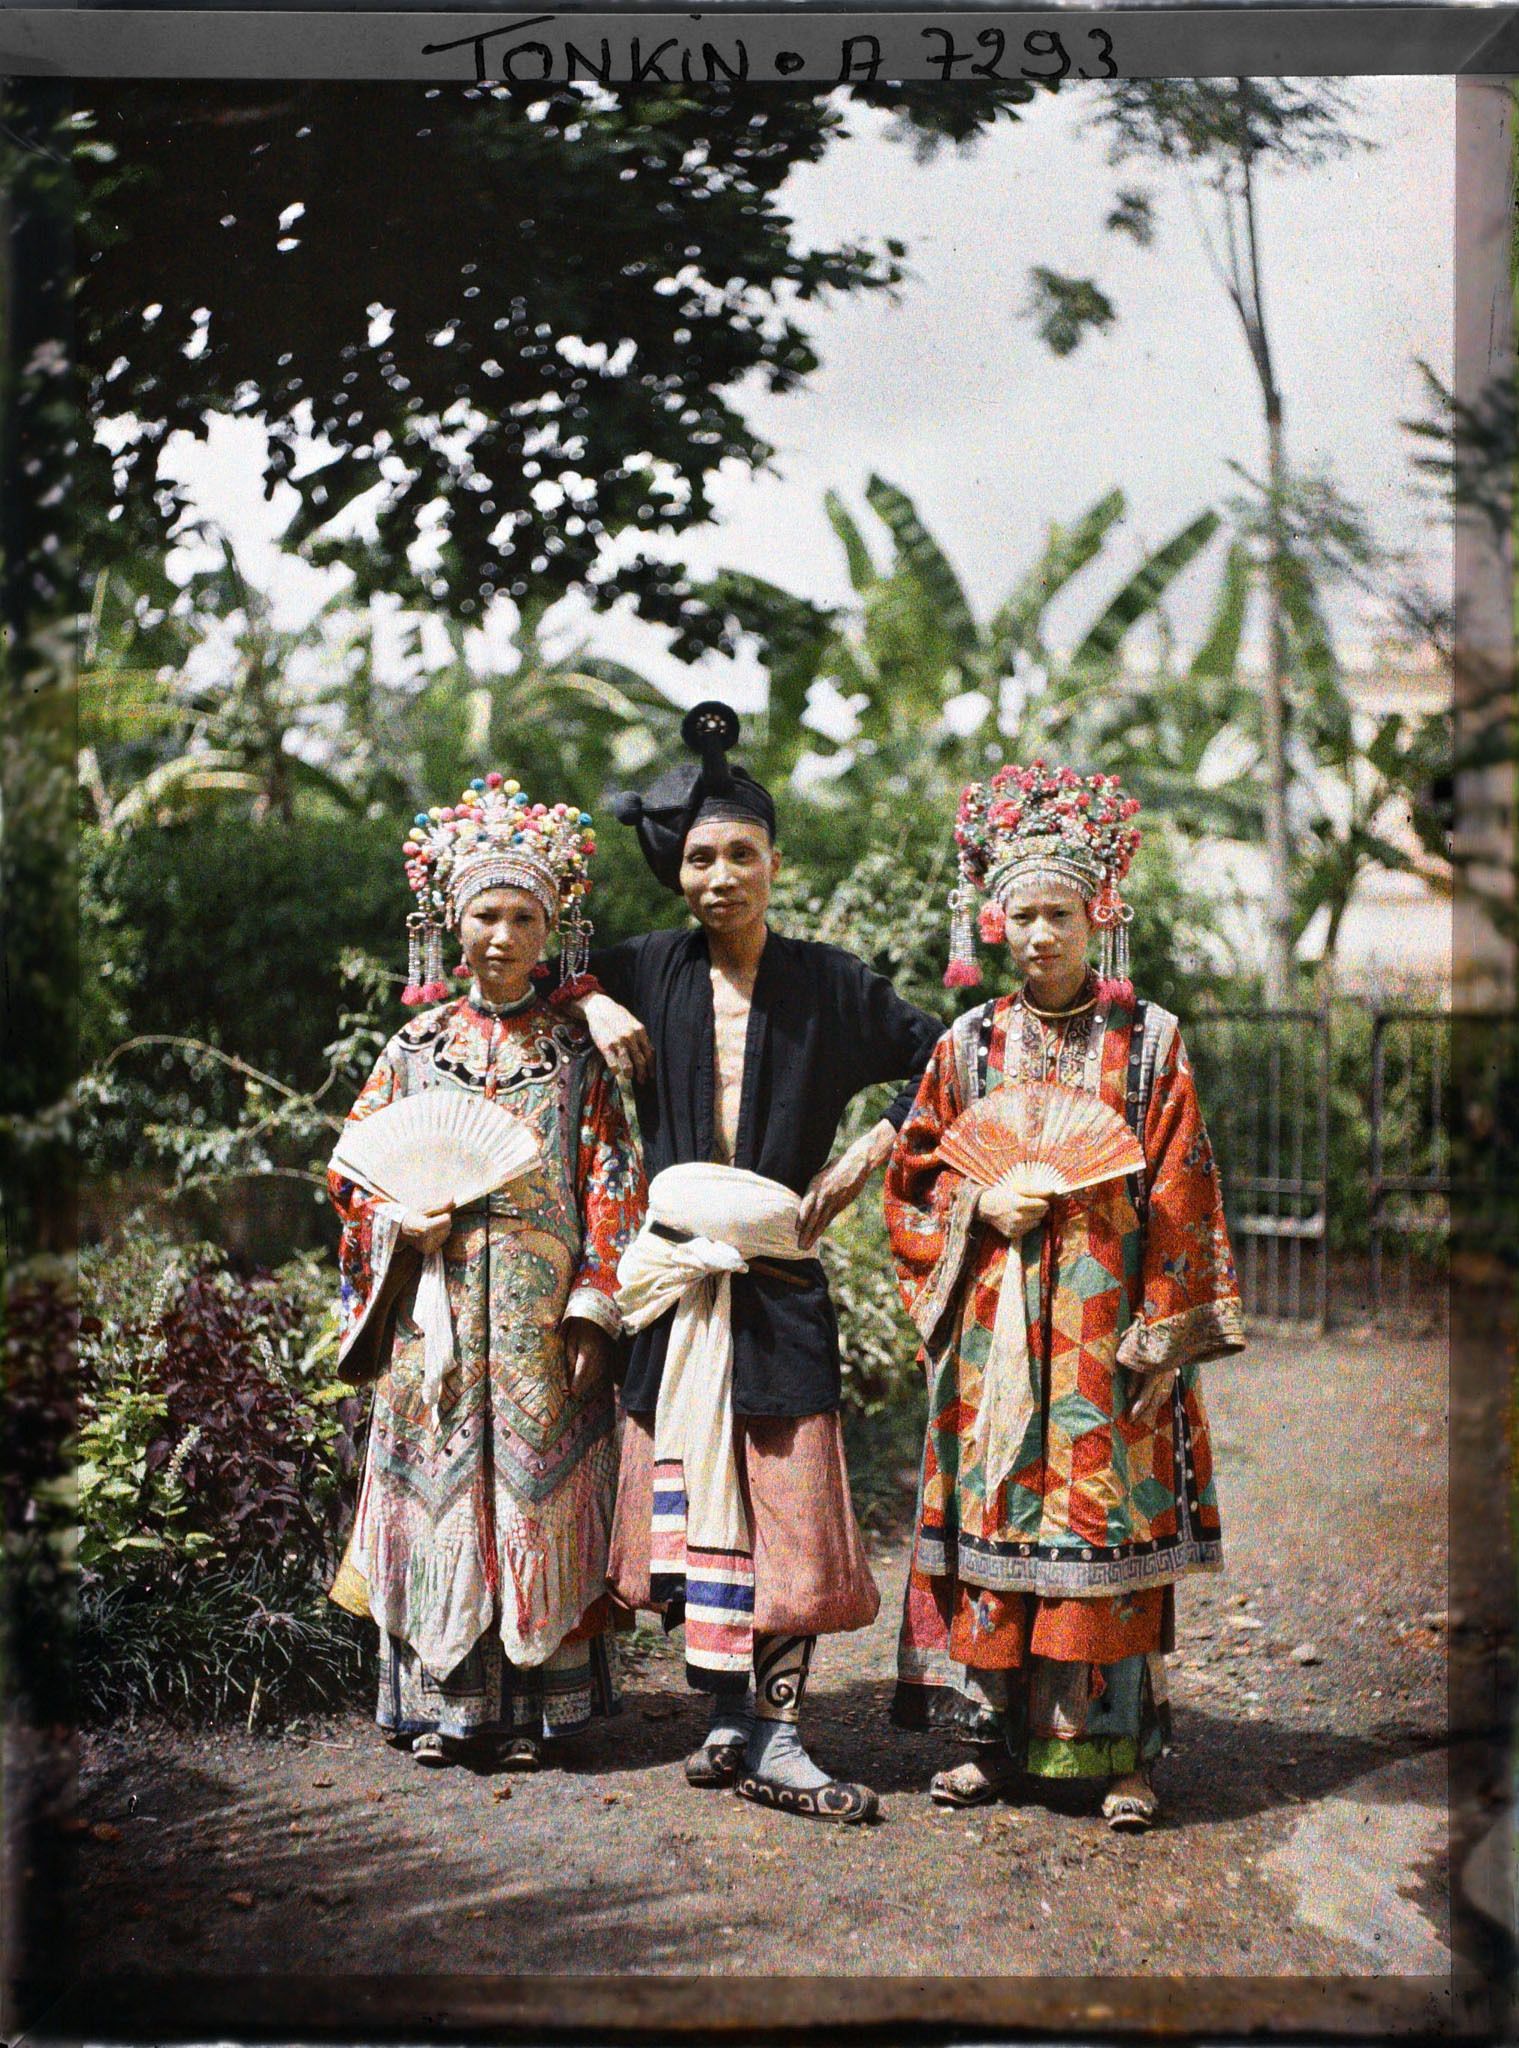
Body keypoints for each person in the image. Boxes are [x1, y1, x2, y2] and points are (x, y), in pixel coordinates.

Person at [574, 703, 942, 1823]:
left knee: (784, 1498)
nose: (720, 873)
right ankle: (727, 1711)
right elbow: (524, 958)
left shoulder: (828, 983)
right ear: (676, 873)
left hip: (777, 1275)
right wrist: (585, 995)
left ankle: (781, 1726)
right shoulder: (644, 968)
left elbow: (950, 1054)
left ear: (775, 864)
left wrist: (879, 1139)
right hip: (678, 1275)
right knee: (696, 1505)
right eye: (699, 856)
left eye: (741, 853)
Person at [883, 761, 1244, 1831]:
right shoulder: (966, 1044)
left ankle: (1125, 1753)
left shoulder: (1152, 1043)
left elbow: (1183, 1191)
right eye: (1022, 912)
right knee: (997, 1516)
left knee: (1105, 1532)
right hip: (995, 1325)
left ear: (1100, 916)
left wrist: (1160, 1338)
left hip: (1105, 1335)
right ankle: (992, 1741)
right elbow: (917, 1172)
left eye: (1061, 911)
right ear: (994, 922)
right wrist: (973, 1209)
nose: (1040, 933)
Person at [327, 775, 646, 1770]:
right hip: (435, 1311)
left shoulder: (573, 1055)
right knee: (441, 1491)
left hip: (540, 1324)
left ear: (553, 928)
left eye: (522, 916)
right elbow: (349, 1174)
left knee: (535, 1495)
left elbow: (614, 1183)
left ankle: (539, 1710)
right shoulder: (411, 1050)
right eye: (483, 914)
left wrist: (595, 1308)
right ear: (448, 922)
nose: (501, 935)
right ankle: (448, 1706)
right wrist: (393, 1217)